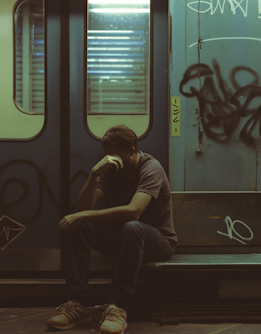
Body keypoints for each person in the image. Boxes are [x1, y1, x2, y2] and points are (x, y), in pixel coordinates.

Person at [46, 125, 177, 333]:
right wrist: (94, 173)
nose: (110, 160)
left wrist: (82, 215)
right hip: (124, 238)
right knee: (81, 225)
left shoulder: (151, 168)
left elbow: (134, 211)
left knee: (132, 227)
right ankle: (78, 304)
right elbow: (83, 209)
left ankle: (118, 307)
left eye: (115, 155)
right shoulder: (111, 170)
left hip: (158, 241)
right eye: (106, 156)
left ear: (132, 151)